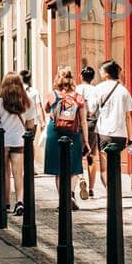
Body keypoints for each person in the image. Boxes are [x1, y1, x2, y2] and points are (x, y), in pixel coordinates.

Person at [43, 66, 87, 210]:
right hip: (73, 132)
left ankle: (63, 199)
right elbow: (84, 120)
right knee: (73, 166)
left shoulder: (52, 94)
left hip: (54, 132)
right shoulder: (78, 96)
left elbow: (46, 109)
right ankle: (72, 195)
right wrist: (86, 141)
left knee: (58, 168)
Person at [0, 73, 32, 215]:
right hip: (19, 140)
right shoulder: (26, 101)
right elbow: (30, 124)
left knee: (4, 172)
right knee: (18, 173)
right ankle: (20, 202)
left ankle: (5, 202)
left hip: (3, 141)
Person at [91, 60, 132, 194]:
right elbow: (128, 116)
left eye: (100, 71)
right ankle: (116, 191)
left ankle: (111, 193)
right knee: (116, 164)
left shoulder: (98, 88)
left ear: (105, 74)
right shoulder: (124, 90)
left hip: (104, 131)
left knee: (104, 167)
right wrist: (130, 137)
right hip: (120, 133)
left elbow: (92, 110)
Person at [76, 66, 102, 198]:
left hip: (78, 125)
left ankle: (81, 179)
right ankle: (91, 188)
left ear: (81, 77)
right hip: (92, 124)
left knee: (78, 156)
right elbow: (95, 109)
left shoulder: (77, 89)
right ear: (92, 78)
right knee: (91, 156)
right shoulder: (96, 90)